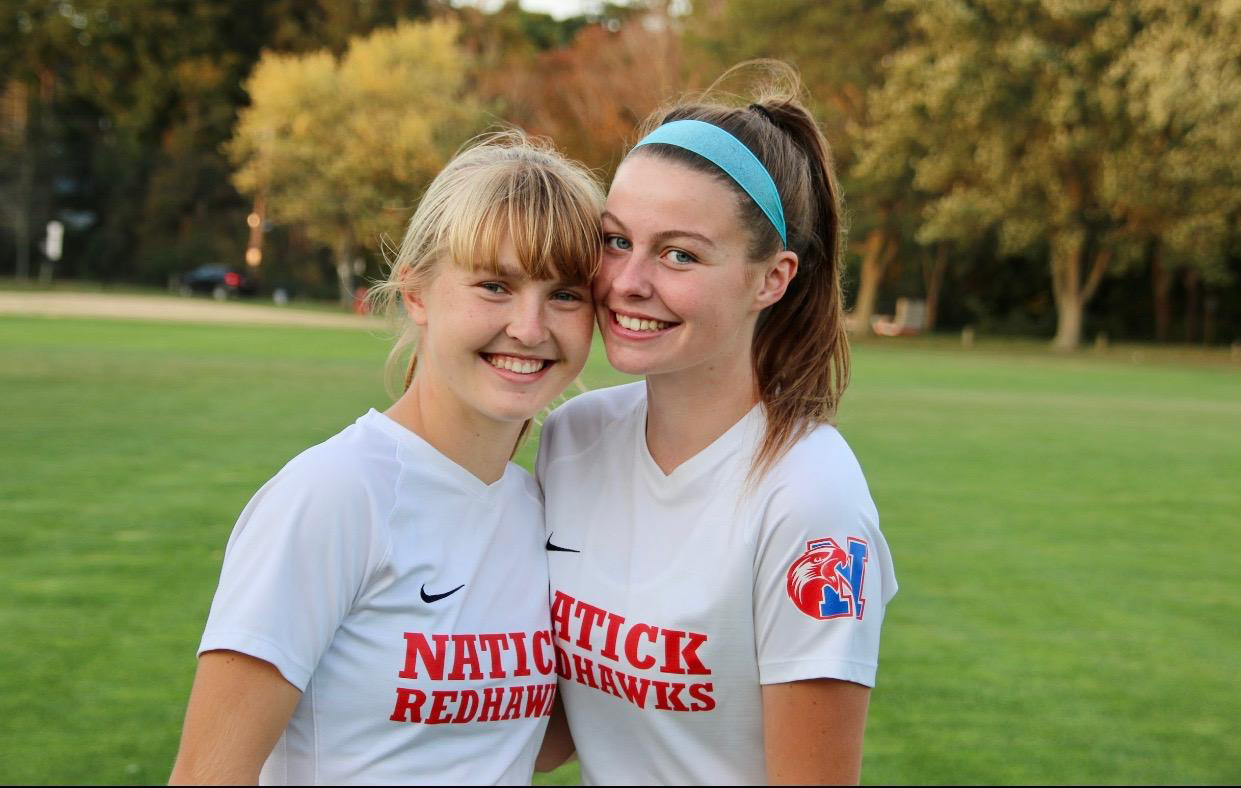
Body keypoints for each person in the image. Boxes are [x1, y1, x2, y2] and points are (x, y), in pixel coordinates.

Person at [169, 132, 603, 785]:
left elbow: (520, 744)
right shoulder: (335, 496)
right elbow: (209, 775)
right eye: (494, 285)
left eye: (565, 294)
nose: (530, 326)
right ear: (417, 293)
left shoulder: (542, 510)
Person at [535, 64, 898, 785]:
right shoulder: (571, 439)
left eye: (679, 254)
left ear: (771, 278)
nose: (628, 281)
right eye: (615, 241)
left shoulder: (809, 502)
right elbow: (572, 716)